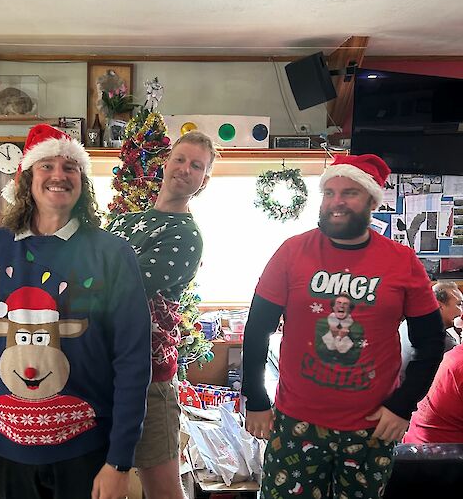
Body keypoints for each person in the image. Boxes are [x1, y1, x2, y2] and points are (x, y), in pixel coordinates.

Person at [0, 124, 152, 499]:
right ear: (26, 178)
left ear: (82, 181)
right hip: (7, 453)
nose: (59, 174)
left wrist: (120, 460)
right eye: (46, 165)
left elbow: (133, 362)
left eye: (70, 166)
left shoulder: (113, 255)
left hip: (89, 453)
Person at [242, 153, 445, 499]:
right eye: (329, 192)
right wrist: (256, 398)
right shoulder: (291, 252)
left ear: (370, 200)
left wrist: (402, 406)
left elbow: (430, 342)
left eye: (349, 193)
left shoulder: (402, 262)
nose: (337, 202)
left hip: (371, 429)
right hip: (294, 422)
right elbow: (258, 328)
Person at [107, 130, 217, 499]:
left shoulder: (186, 237)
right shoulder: (124, 223)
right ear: (166, 164)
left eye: (197, 166)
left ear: (204, 180)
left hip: (149, 378)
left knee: (162, 490)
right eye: (181, 159)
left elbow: (120, 286)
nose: (185, 169)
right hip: (102, 373)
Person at [399, 281, 463, 381]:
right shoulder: (443, 343)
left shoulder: (410, 321)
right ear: (439, 306)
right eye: (459, 304)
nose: (462, 311)